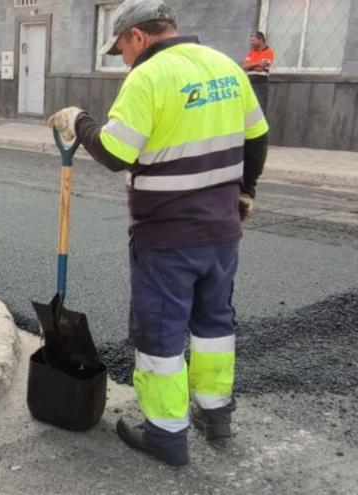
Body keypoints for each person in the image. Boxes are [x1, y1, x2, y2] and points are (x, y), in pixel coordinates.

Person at [48, 0, 268, 466]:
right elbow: (258, 137)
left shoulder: (147, 77)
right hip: (223, 230)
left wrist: (77, 120)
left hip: (167, 234)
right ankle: (215, 413)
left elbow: (115, 152)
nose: (124, 59)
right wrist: (244, 192)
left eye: (122, 48)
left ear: (138, 37)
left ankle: (166, 433)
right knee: (213, 325)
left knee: (161, 333)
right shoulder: (227, 67)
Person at [242, 31, 274, 113]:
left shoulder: (268, 52)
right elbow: (244, 66)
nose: (251, 42)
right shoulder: (251, 52)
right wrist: (257, 63)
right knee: (248, 108)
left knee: (259, 109)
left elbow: (261, 69)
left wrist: (250, 66)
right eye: (250, 40)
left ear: (261, 40)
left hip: (260, 84)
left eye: (253, 39)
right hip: (249, 83)